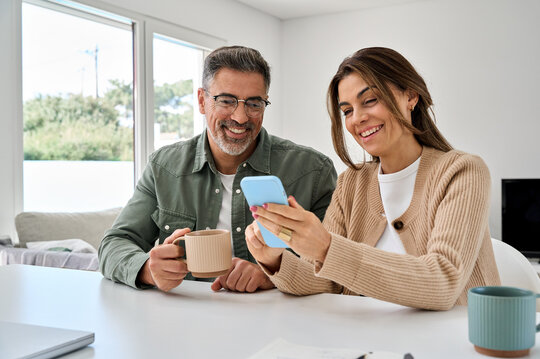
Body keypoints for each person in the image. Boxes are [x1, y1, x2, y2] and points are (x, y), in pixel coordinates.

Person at [245, 47, 500, 310]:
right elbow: (326, 280)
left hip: (451, 344)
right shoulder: (351, 183)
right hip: (367, 343)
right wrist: (274, 260)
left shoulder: (463, 172)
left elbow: (443, 283)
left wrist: (326, 247)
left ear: (411, 96)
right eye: (347, 110)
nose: (358, 118)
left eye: (370, 100)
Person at [99, 46, 337, 293]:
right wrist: (147, 268)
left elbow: (337, 266)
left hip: (280, 323)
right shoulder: (164, 167)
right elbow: (113, 244)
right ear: (202, 101)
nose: (241, 117)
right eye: (226, 101)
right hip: (188, 317)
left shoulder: (313, 171)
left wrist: (272, 275)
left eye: (254, 104)